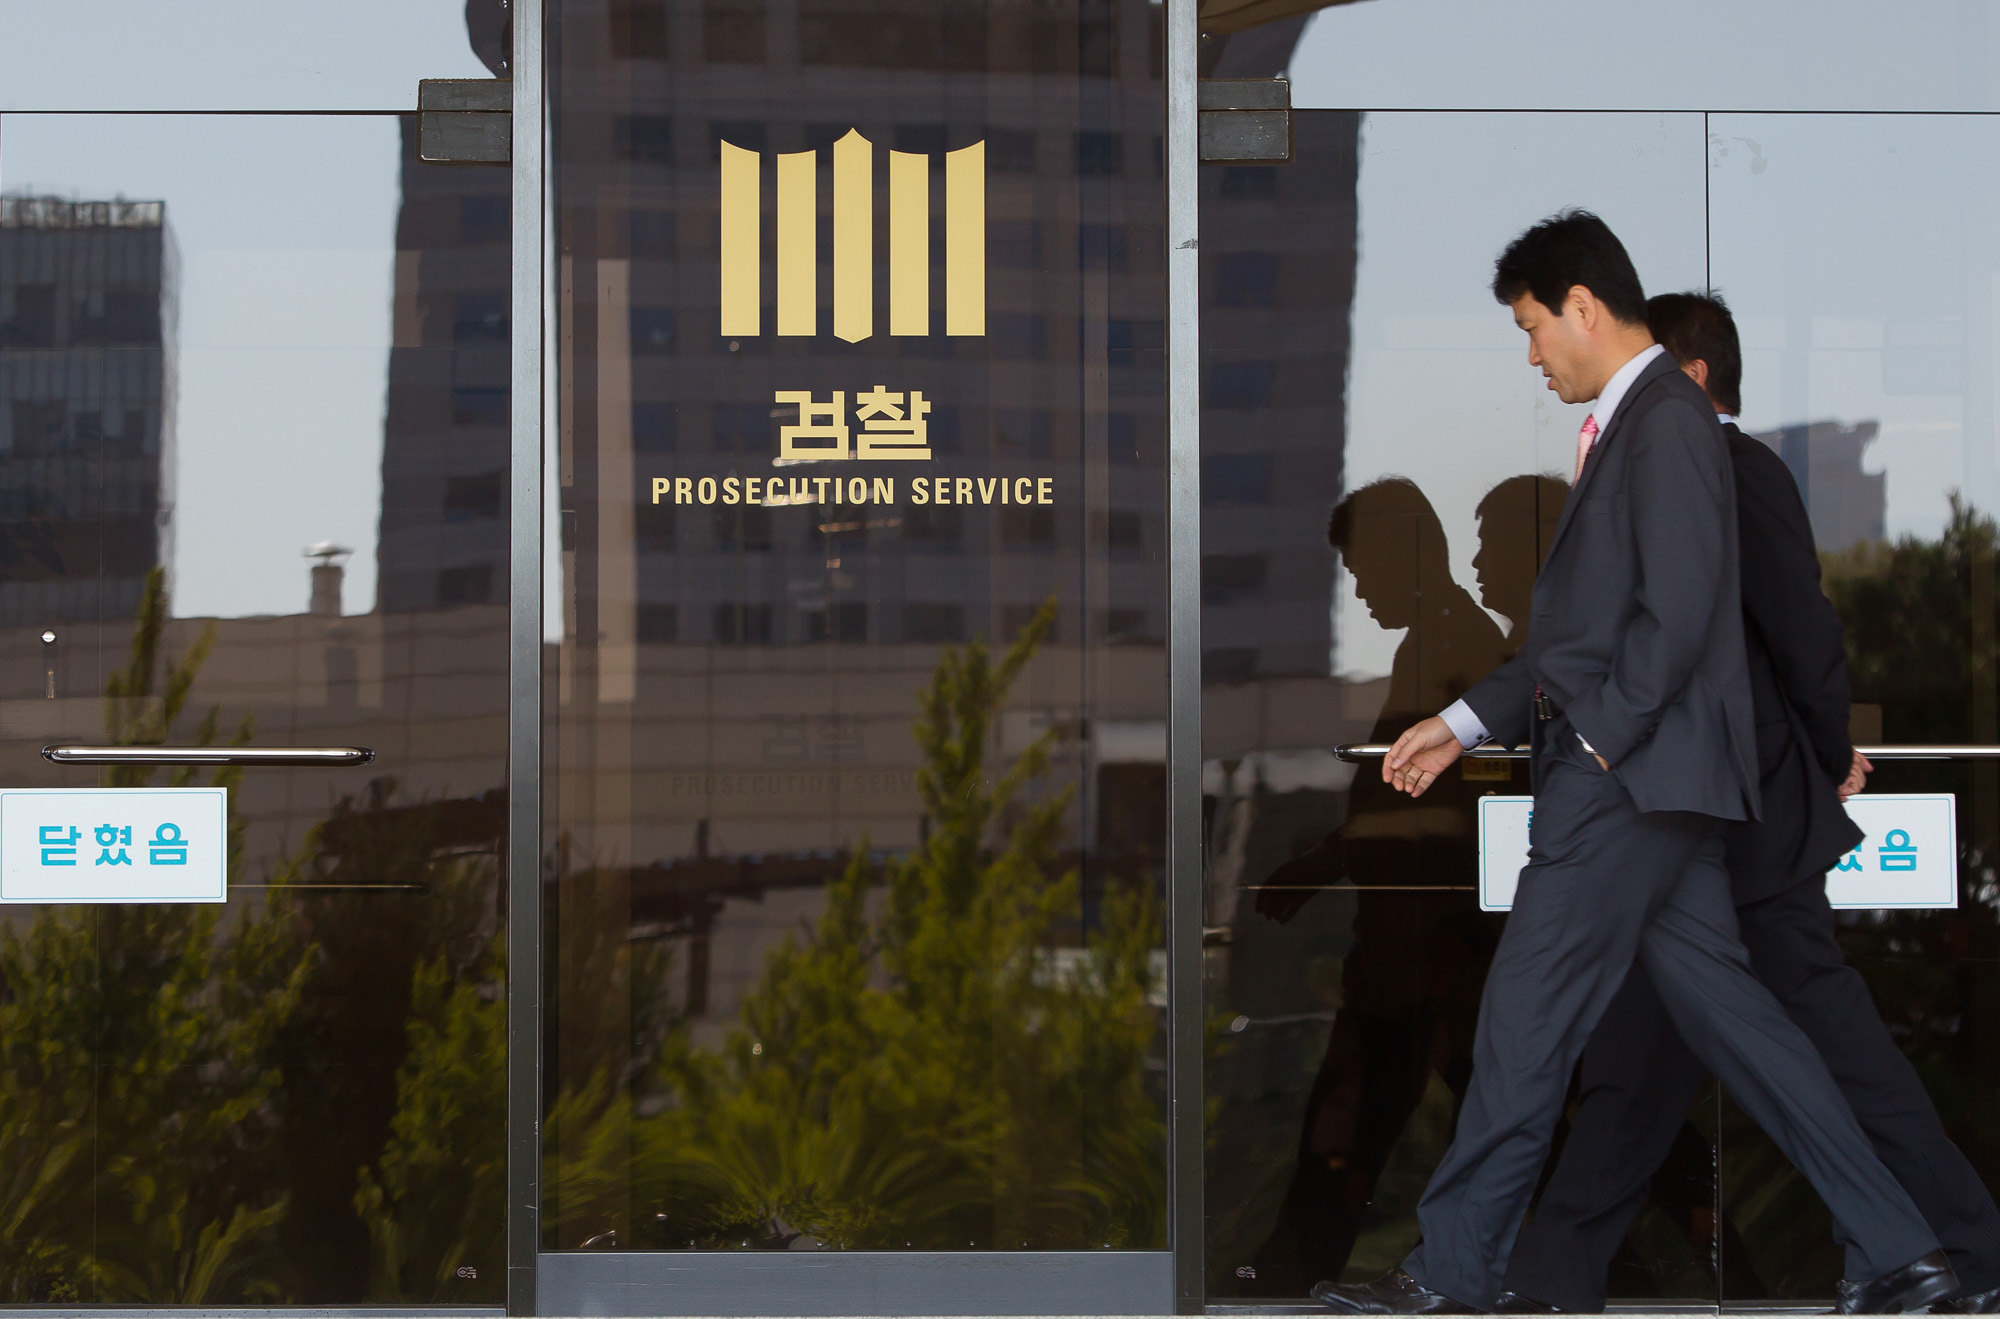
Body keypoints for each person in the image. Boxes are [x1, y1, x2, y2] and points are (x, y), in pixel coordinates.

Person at [1311, 210, 1954, 1316]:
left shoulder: (1663, 423)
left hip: (1624, 785)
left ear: (1581, 306)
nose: (1530, 355)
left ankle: (1450, 1272)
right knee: (1748, 1029)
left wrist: (1602, 742)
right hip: (1659, 787)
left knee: (1524, 1023)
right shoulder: (1643, 424)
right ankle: (1899, 1251)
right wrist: (1463, 720)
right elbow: (1578, 640)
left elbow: (1682, 610)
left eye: (1530, 327)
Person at [1493, 292, 2000, 1315]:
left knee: (1830, 1051)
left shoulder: (1734, 466)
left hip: (1751, 825)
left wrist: (1824, 750)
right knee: (1637, 1058)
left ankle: (1960, 1249)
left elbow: (1800, 629)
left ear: (1688, 379)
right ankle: (1553, 1278)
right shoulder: (1663, 470)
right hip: (1673, 818)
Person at [1248, 479, 1509, 1294]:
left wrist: (1323, 861)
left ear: (1405, 554)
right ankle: (1293, 1269)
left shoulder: (1453, 643)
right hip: (1418, 943)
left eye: (1362, 568)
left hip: (1426, 944)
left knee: (1357, 1113)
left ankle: (1290, 1274)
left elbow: (1417, 802)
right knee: (1372, 1112)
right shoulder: (1435, 640)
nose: (1359, 591)